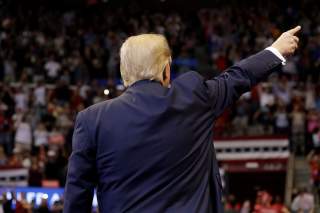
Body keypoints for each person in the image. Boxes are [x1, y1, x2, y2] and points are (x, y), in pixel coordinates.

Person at [64, 26, 301, 213]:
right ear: (166, 69)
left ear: (125, 74)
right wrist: (276, 50)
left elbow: (77, 198)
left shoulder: (91, 120)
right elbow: (238, 77)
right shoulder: (192, 96)